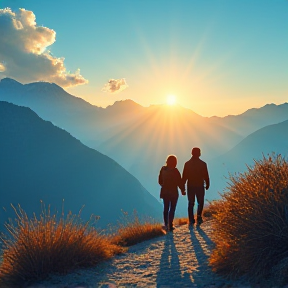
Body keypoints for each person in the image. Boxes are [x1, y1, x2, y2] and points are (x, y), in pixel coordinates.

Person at [182, 147, 210, 226]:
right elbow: (206, 176)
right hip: (200, 186)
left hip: (190, 186)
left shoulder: (187, 164)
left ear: (192, 153)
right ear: (199, 153)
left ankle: (191, 219)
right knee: (200, 202)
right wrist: (207, 184)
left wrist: (182, 188)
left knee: (191, 203)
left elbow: (184, 177)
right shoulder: (203, 164)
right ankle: (199, 217)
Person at [158, 155, 186, 231]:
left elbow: (160, 181)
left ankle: (166, 224)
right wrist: (183, 190)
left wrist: (164, 185)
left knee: (166, 208)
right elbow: (180, 182)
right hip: (173, 192)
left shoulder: (163, 170)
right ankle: (170, 225)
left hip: (165, 192)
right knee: (172, 208)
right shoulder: (175, 171)